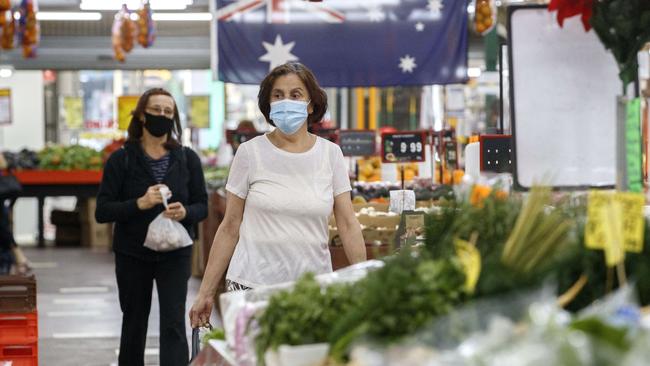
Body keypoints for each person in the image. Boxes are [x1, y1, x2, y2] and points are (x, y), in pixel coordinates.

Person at [190, 62, 367, 327]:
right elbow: (230, 226)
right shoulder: (250, 153)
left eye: (295, 95)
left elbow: (348, 223)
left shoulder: (330, 155)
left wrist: (363, 281)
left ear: (310, 104)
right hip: (251, 287)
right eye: (278, 95)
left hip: (312, 289)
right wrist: (205, 291)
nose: (286, 101)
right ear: (268, 104)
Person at [95, 88, 208, 366]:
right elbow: (103, 211)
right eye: (156, 110)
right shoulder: (121, 159)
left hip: (176, 253)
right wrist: (139, 204)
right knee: (134, 321)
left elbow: (202, 205)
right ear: (142, 116)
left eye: (168, 112)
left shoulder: (187, 159)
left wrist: (186, 212)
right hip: (132, 253)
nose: (162, 116)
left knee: (173, 322)